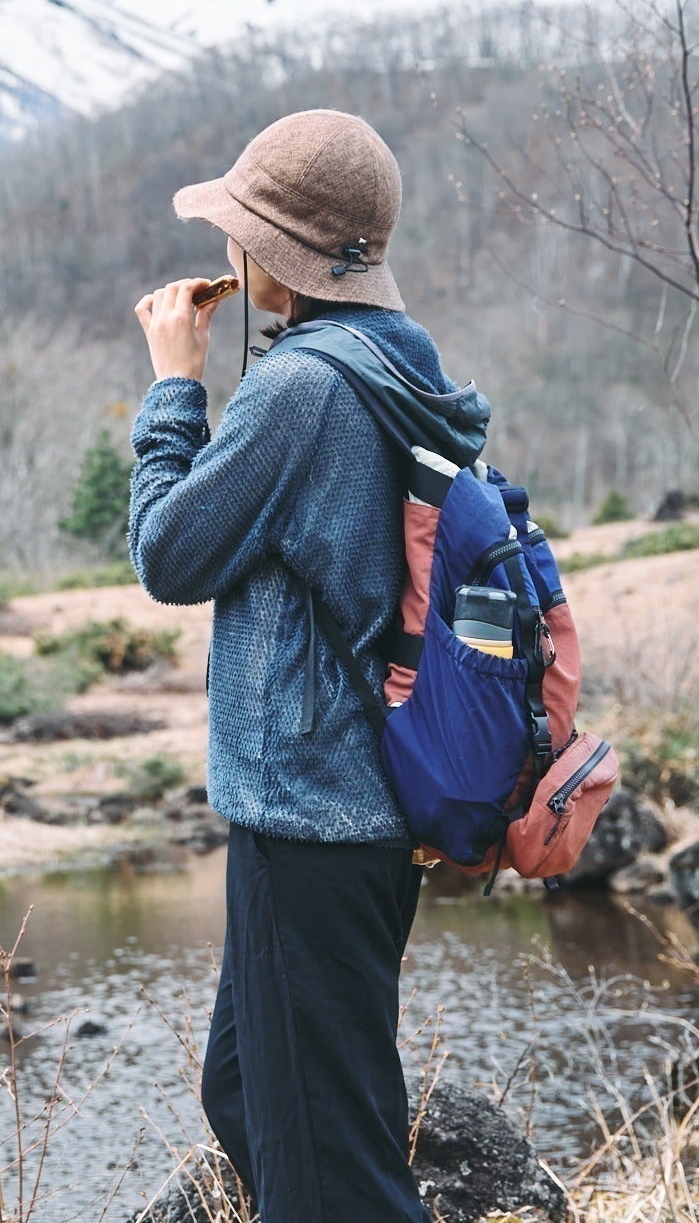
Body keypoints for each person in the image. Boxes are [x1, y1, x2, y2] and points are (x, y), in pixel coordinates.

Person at [130, 108, 489, 1221]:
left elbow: (167, 552)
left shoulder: (298, 390)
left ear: (270, 250)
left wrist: (173, 386)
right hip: (361, 807)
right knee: (247, 1091)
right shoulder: (398, 363)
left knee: (333, 1178)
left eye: (240, 227)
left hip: (310, 813)